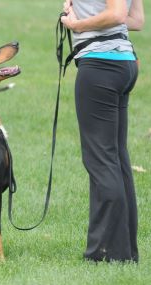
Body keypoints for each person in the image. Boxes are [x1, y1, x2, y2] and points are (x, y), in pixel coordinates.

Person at [61, 0, 144, 262]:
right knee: (116, 158)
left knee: (101, 160)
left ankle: (106, 253)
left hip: (101, 66)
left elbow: (117, 14)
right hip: (122, 63)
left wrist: (77, 24)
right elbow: (135, 20)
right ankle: (124, 251)